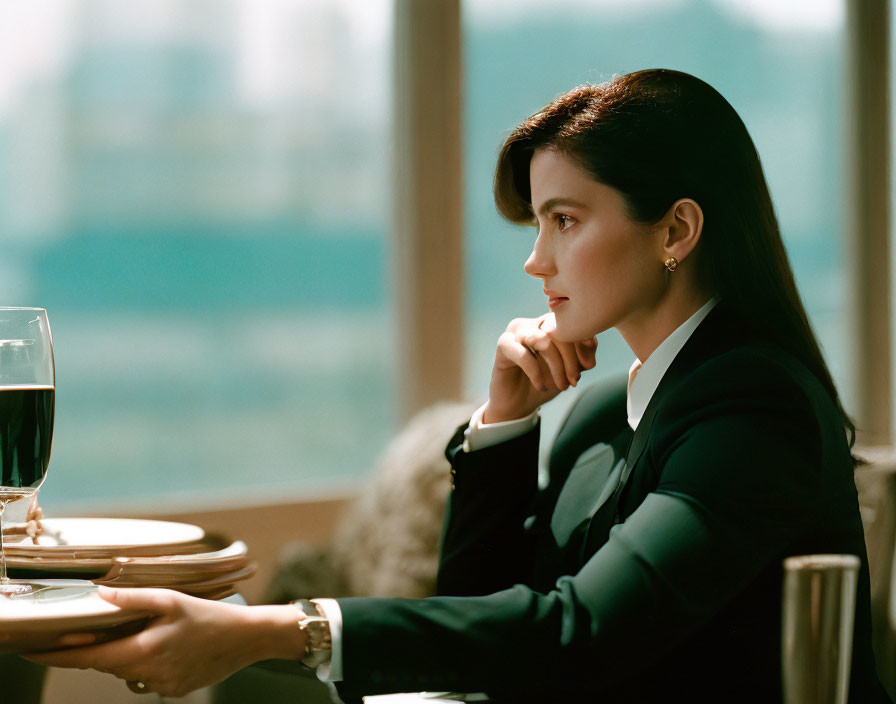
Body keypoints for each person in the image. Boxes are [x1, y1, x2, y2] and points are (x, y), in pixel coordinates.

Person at [27, 68, 890, 702]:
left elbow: (577, 634)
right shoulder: (598, 407)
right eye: (537, 223)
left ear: (677, 229)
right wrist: (504, 424)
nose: (534, 260)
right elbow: (486, 625)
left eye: (565, 220)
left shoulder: (757, 411)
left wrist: (271, 630)